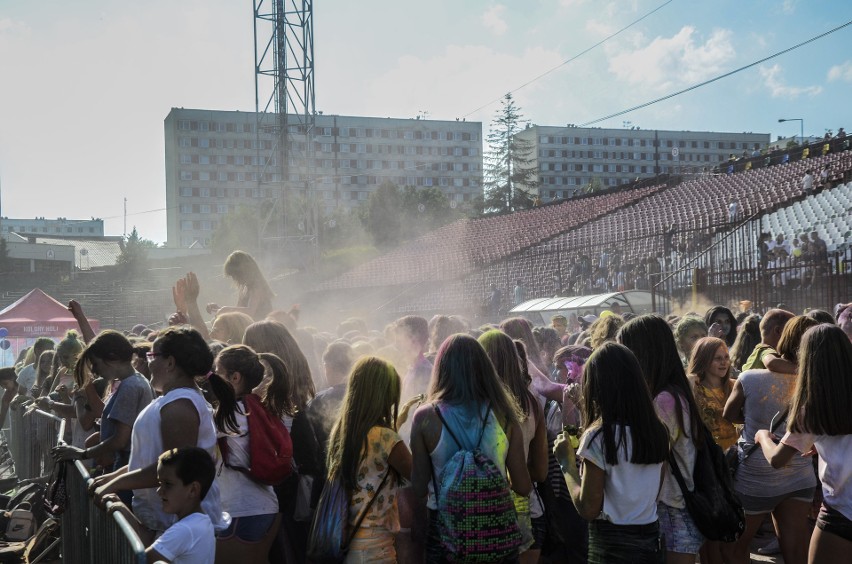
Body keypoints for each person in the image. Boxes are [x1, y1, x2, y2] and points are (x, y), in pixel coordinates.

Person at [91, 326, 229, 542]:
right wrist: (113, 477)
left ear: (170, 362)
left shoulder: (180, 406)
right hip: (164, 522)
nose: (147, 361)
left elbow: (173, 470)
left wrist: (116, 485)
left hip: (177, 526)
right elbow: (152, 458)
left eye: (152, 355)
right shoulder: (172, 400)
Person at [409, 334, 532, 563]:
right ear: (484, 368)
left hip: (446, 534)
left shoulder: (426, 417)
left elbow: (418, 487)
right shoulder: (504, 413)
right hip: (496, 533)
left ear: (441, 369)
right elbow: (523, 486)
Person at [554, 342, 669, 563]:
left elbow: (588, 508)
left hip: (612, 544)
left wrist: (567, 463)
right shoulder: (658, 431)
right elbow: (654, 492)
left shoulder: (599, 437)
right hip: (651, 540)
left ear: (595, 387)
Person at [722, 316, 819, 564]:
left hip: (755, 477)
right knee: (796, 547)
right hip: (800, 477)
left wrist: (756, 420)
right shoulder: (815, 382)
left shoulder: (750, 379)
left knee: (738, 546)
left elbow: (729, 415)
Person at [753, 325, 852, 564]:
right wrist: (821, 444)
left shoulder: (814, 408)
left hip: (841, 512)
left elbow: (777, 460)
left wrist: (762, 436)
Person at [617, 315, 704, 564]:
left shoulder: (663, 401)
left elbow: (658, 461)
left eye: (626, 351)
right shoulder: (671, 392)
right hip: (674, 506)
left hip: (670, 508)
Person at [326, 357, 412, 563]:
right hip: (376, 547)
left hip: (349, 542)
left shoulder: (344, 432)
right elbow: (418, 474)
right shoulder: (385, 437)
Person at [212, 344, 296, 548]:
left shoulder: (232, 414)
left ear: (235, 377)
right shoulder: (267, 407)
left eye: (217, 373)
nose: (212, 378)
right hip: (265, 504)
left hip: (239, 508)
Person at [52, 331, 154, 496]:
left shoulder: (130, 387)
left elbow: (120, 440)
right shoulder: (133, 381)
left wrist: (83, 453)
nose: (94, 370)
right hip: (125, 465)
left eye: (95, 363)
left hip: (125, 464)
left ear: (112, 357)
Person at [479, 330, 548, 563]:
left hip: (486, 513)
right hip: (530, 510)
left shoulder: (476, 408)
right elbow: (540, 472)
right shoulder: (533, 403)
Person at [112, 447, 217, 564]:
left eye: (168, 484)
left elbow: (143, 560)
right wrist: (123, 511)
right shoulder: (201, 522)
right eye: (160, 483)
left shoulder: (185, 529)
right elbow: (150, 545)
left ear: (193, 490)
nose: (159, 491)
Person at [206, 251, 275, 320]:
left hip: (262, 328)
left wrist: (226, 309)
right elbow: (238, 312)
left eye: (235, 275)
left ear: (244, 271)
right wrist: (219, 309)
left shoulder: (257, 287)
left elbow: (250, 312)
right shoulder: (244, 288)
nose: (234, 278)